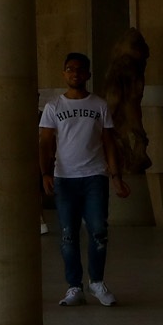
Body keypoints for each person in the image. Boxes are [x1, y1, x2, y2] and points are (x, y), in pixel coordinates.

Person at [40, 51, 128, 306]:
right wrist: (45, 173)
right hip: (65, 178)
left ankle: (97, 283)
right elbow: (45, 142)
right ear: (64, 73)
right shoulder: (54, 106)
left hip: (94, 176)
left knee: (98, 230)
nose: (74, 73)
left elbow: (109, 142)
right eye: (70, 69)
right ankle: (74, 286)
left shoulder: (99, 105)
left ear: (88, 74)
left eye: (79, 69)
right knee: (68, 234)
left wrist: (116, 175)